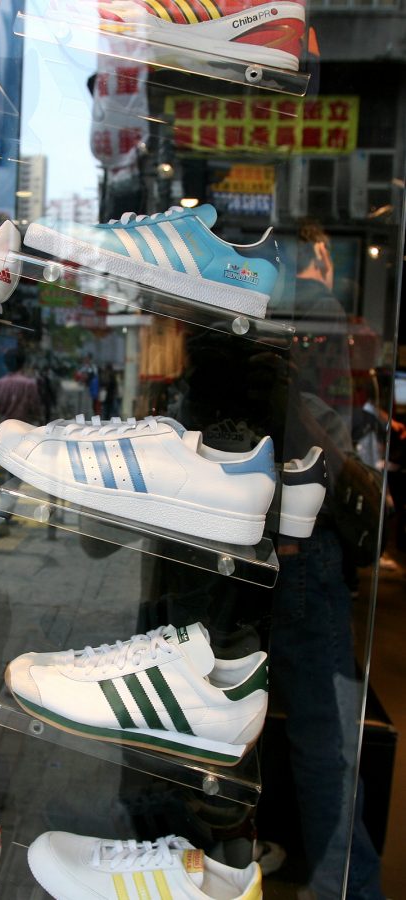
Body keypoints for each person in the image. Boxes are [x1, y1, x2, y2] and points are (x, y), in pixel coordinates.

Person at [266, 220, 384, 900]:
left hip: (269, 531)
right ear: (314, 254)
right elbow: (319, 423)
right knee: (327, 739)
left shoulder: (269, 314)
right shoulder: (318, 310)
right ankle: (351, 887)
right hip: (305, 541)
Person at [0, 348, 42, 538]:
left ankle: (3, 512)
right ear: (23, 363)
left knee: (2, 475)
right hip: (23, 437)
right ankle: (3, 515)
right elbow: (36, 410)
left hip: (1, 436)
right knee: (15, 477)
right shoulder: (30, 385)